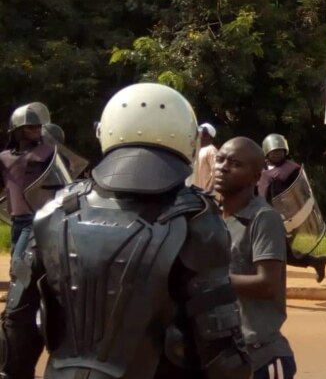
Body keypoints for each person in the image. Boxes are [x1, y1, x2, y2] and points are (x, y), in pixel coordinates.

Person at [0, 83, 251, 379]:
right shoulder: (195, 217)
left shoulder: (54, 210)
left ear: (106, 132)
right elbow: (223, 356)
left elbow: (16, 332)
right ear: (187, 139)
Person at [215, 137, 297, 379]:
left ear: (255, 177)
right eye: (220, 160)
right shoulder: (209, 216)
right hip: (220, 356)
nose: (223, 167)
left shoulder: (263, 218)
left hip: (259, 358)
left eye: (235, 163)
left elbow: (268, 283)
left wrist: (209, 281)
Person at [257, 133, 326, 283]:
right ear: (266, 152)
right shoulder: (259, 168)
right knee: (284, 254)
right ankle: (316, 262)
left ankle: (269, 286)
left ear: (286, 151)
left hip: (286, 220)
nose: (277, 153)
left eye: (280, 150)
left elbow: (299, 196)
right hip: (263, 217)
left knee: (272, 253)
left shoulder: (291, 170)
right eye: (273, 151)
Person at [0, 103, 56, 260]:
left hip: (36, 219)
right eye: (30, 127)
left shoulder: (47, 152)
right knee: (16, 262)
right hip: (15, 220)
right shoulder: (3, 158)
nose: (36, 131)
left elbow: (64, 180)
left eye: (38, 127)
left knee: (19, 261)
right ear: (17, 130)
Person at [192, 122, 218, 192]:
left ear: (207, 136)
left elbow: (216, 172)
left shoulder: (211, 150)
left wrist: (209, 190)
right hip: (196, 192)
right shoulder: (198, 150)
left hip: (205, 194)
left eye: (202, 133)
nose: (199, 135)